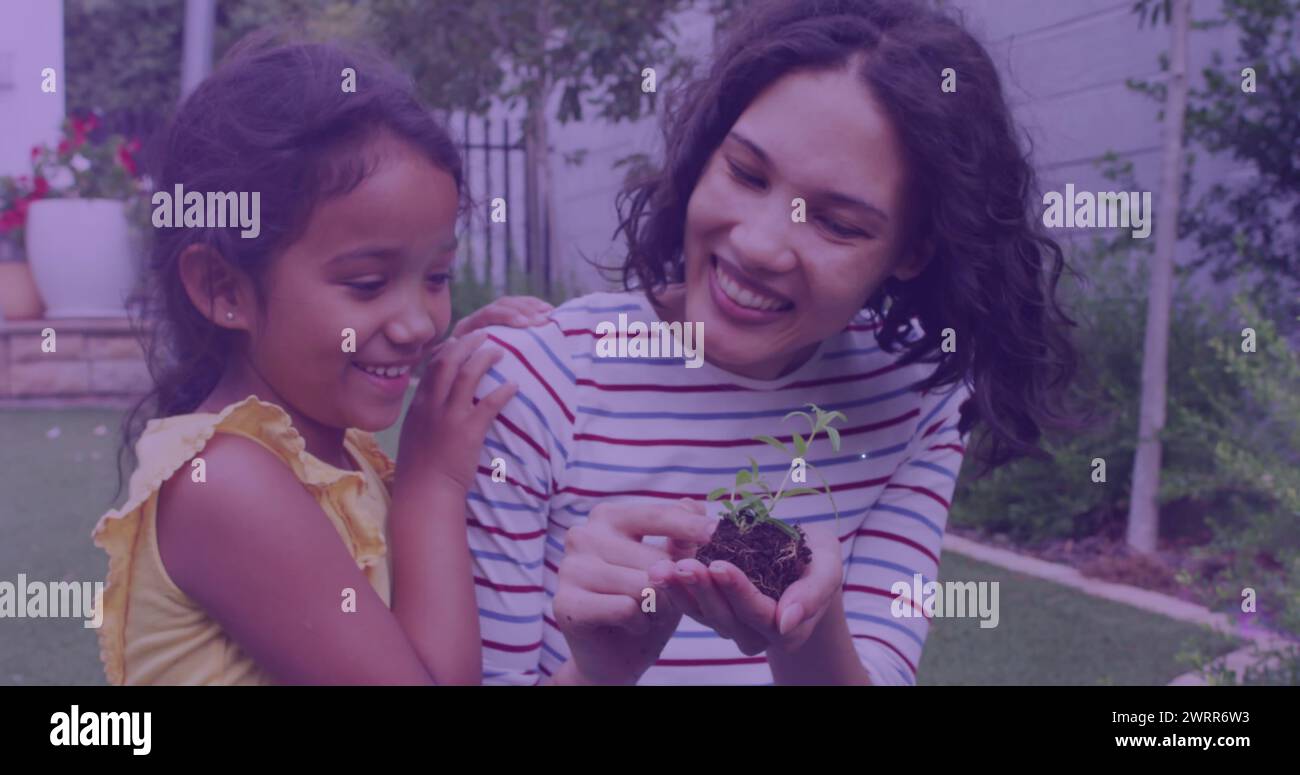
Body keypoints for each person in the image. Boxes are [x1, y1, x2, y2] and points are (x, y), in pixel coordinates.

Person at [466, 0, 1083, 685]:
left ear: (912, 251)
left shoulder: (918, 402)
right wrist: (601, 669)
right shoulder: (532, 383)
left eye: (837, 223)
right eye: (746, 173)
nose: (758, 244)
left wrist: (804, 630)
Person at [93, 34, 548, 685]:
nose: (419, 323)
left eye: (437, 276)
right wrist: (431, 485)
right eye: (367, 284)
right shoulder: (224, 482)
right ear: (224, 289)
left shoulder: (335, 450)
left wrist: (458, 366)